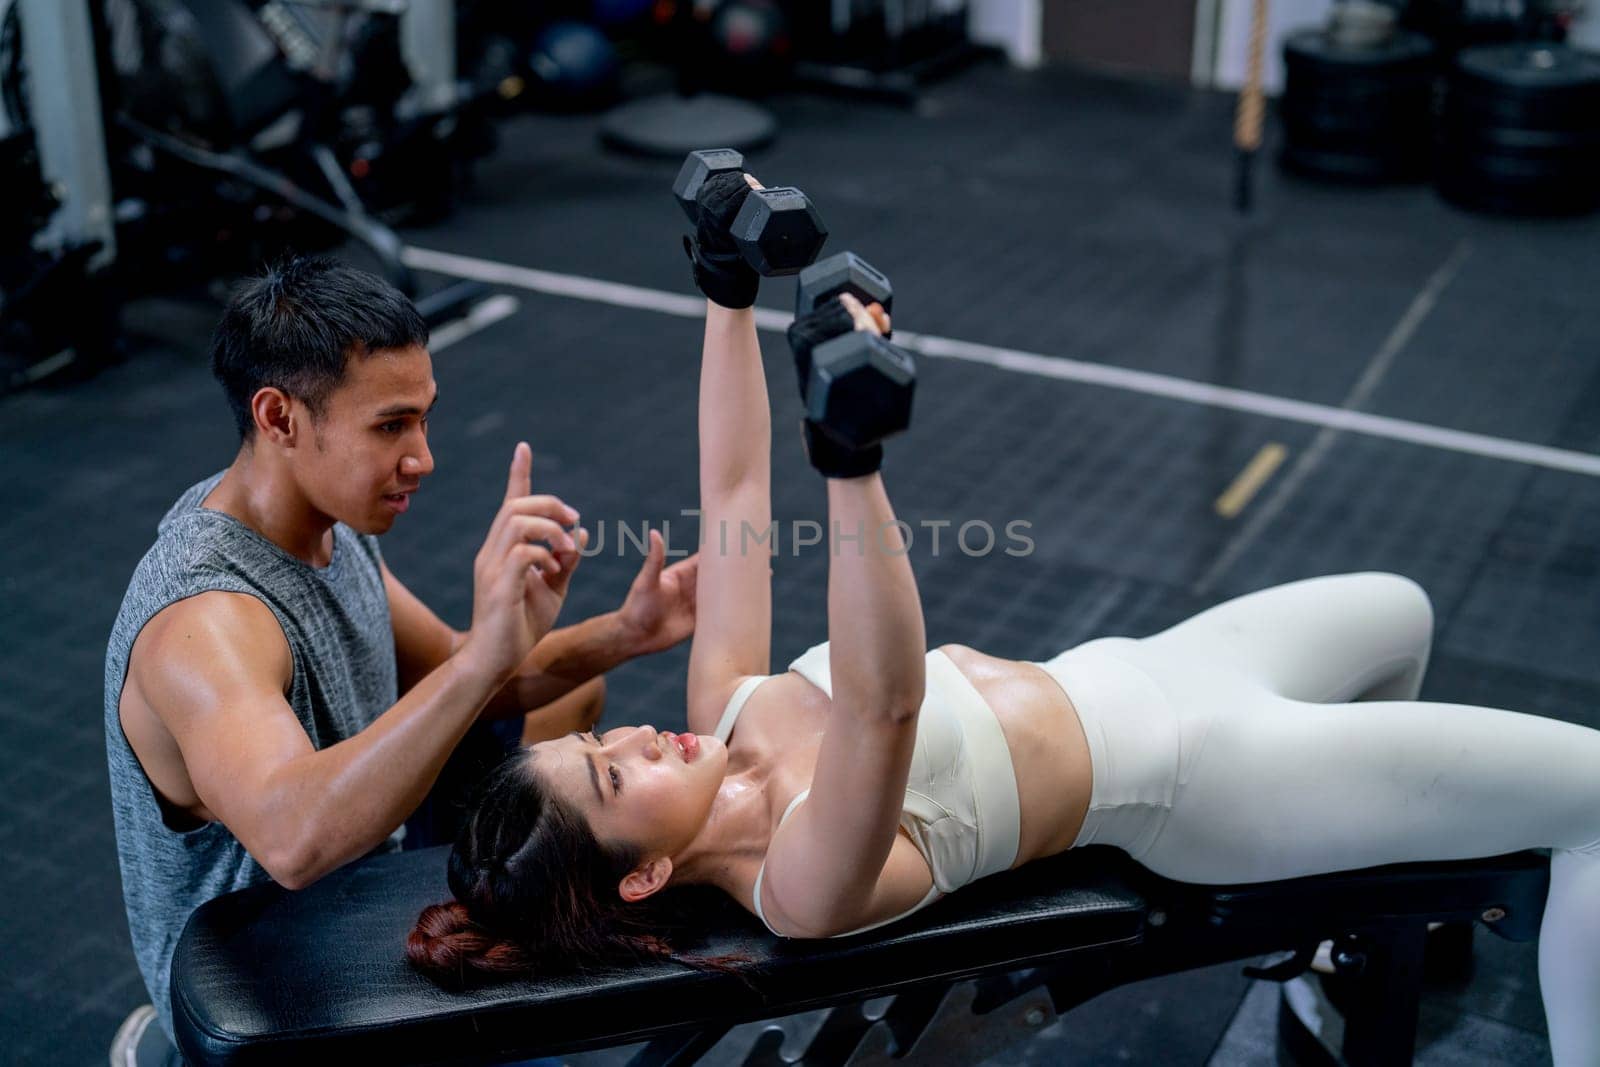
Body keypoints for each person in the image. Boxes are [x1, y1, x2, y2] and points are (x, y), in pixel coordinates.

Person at [407, 172, 1600, 1066]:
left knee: (1400, 612)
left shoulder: (729, 708)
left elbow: (730, 501)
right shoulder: (797, 882)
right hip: (1207, 777)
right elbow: (883, 700)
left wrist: (727, 289)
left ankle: (1343, 948)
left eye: (597, 738)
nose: (634, 736)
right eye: (615, 774)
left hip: (1152, 663)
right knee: (1593, 800)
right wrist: (850, 452)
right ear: (646, 875)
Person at [104, 257, 698, 1048]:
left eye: (423, 419)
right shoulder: (205, 618)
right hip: (255, 961)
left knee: (565, 704)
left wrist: (628, 631)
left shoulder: (322, 525)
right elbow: (293, 840)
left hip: (356, 868)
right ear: (279, 418)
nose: (422, 457)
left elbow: (465, 667)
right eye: (390, 426)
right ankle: (172, 1050)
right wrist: (481, 659)